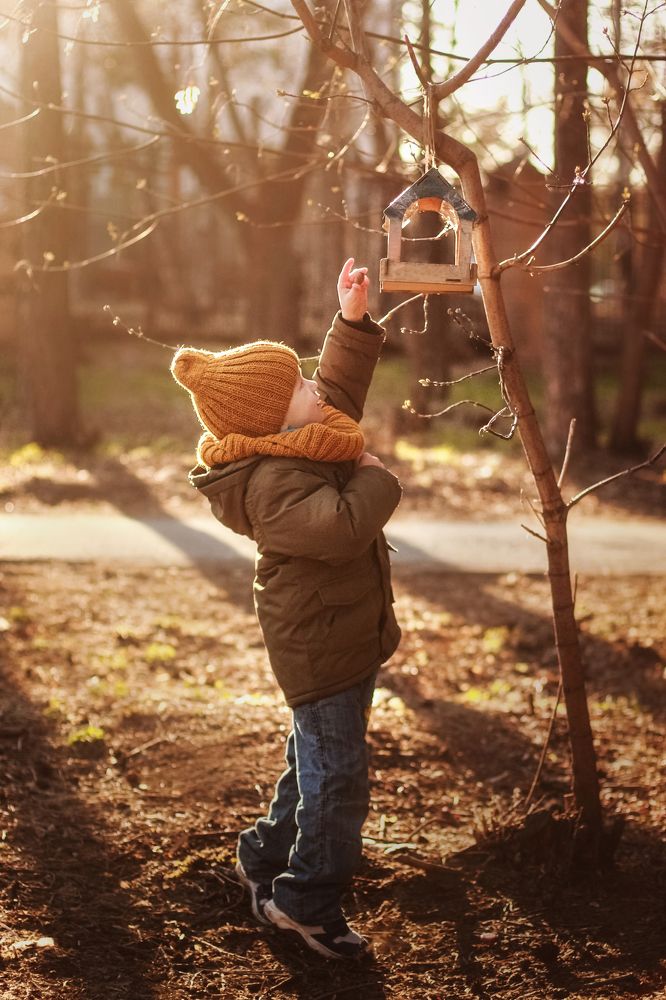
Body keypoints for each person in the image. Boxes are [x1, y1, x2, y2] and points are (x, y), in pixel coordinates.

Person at [170, 258, 402, 961]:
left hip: (344, 632)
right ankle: (306, 902)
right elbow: (337, 527)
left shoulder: (300, 436)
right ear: (276, 419)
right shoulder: (272, 480)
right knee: (339, 776)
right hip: (317, 641)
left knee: (315, 757)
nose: (312, 386)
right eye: (298, 384)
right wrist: (377, 479)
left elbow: (333, 390)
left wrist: (351, 322)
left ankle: (261, 854)